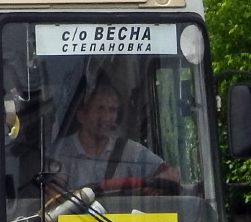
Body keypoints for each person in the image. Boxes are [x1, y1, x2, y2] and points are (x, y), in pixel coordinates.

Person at [47, 82, 178, 193]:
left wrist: (153, 189)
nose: (106, 117)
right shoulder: (63, 150)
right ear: (81, 115)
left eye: (112, 110)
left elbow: (171, 175)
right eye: (100, 109)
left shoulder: (129, 150)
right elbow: (52, 198)